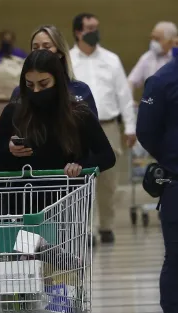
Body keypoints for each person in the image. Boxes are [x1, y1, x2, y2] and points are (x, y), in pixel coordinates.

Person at [0, 49, 115, 313]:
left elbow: (106, 155)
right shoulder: (14, 112)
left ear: (58, 82)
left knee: (61, 286)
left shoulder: (78, 113)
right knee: (29, 289)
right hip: (22, 213)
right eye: (30, 85)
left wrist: (81, 166)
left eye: (44, 85)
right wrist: (10, 152)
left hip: (63, 211)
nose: (36, 92)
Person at [70, 13, 136, 244]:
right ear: (78, 32)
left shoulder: (111, 59)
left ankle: (106, 226)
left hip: (108, 125)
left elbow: (124, 95)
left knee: (109, 181)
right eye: (89, 28)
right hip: (77, 127)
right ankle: (85, 229)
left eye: (96, 27)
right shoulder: (68, 60)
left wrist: (130, 126)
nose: (94, 31)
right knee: (81, 179)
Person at [136, 57, 178, 313]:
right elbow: (146, 131)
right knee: (176, 258)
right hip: (176, 182)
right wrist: (171, 158)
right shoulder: (163, 80)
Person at [10, 25, 98, 118]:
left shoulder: (81, 90)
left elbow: (93, 130)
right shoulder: (19, 92)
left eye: (46, 47)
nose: (40, 51)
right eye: (35, 48)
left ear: (60, 52)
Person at [129, 21, 177, 94]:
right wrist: (128, 101)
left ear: (170, 41)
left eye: (157, 39)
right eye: (152, 38)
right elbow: (131, 81)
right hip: (152, 102)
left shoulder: (175, 58)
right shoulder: (147, 57)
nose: (153, 42)